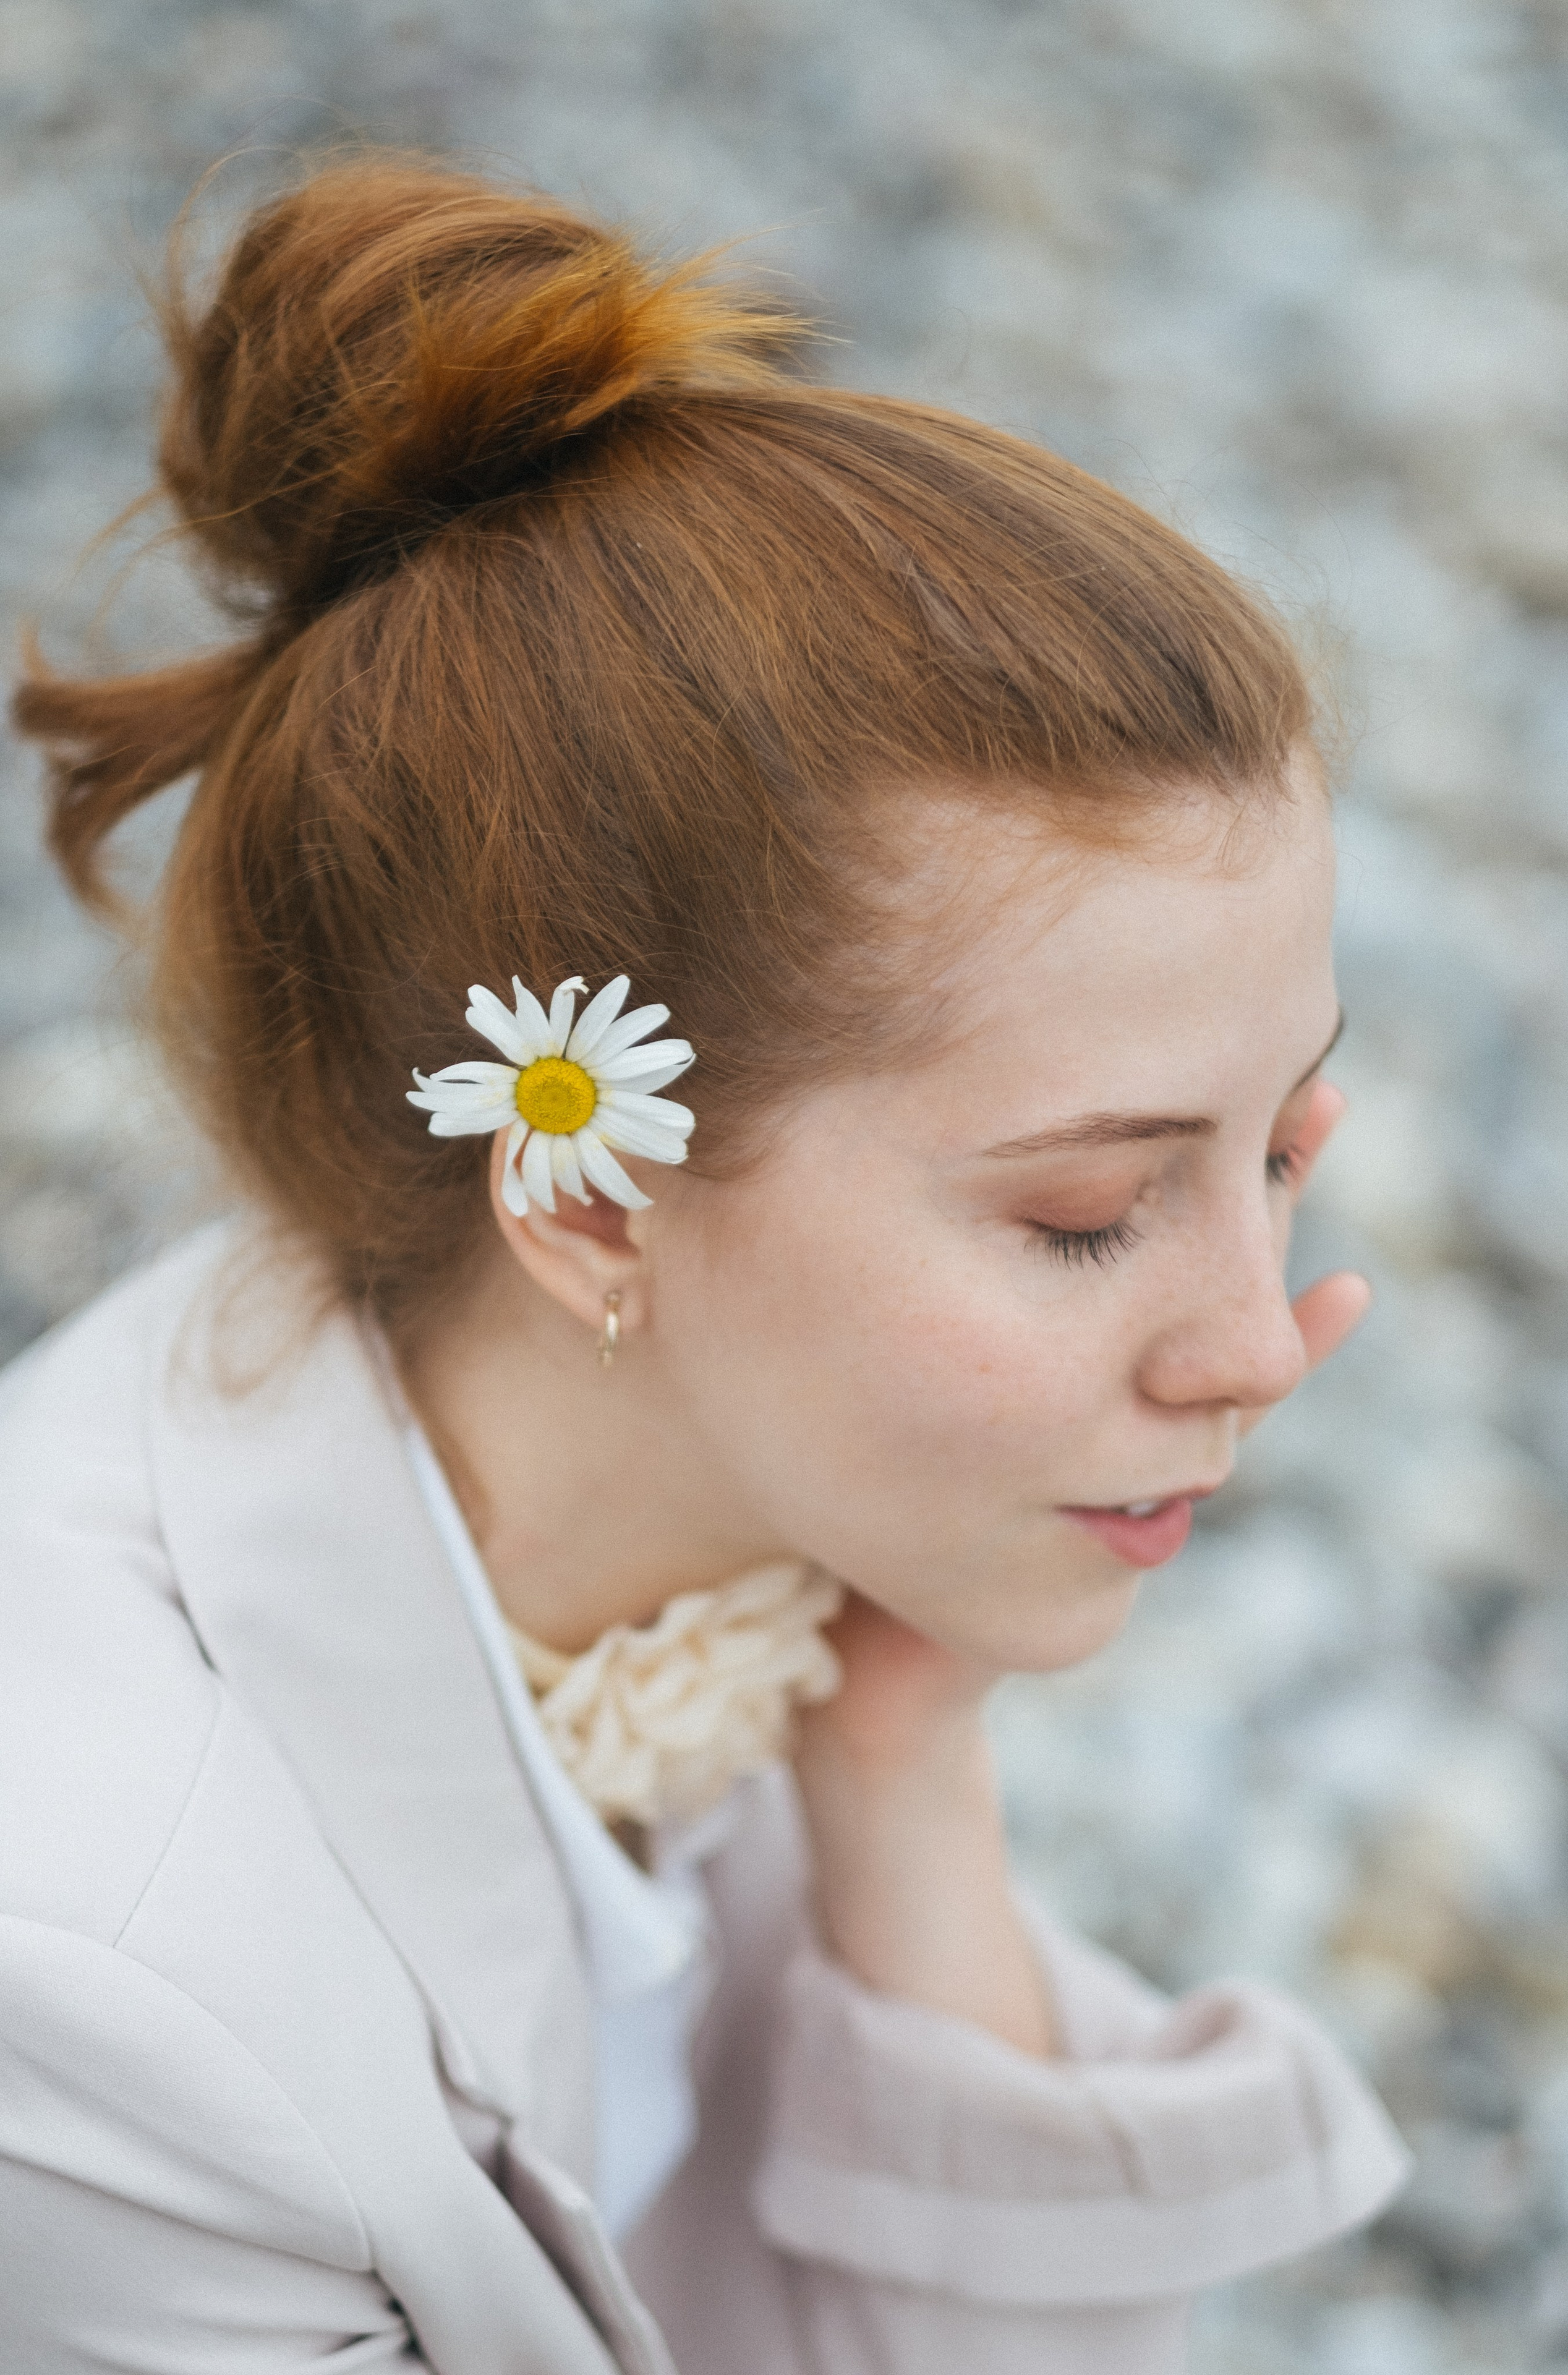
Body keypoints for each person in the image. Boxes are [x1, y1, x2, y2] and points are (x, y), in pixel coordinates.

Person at [0, 157, 1407, 2375]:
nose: (1258, 1343)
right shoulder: (95, 1989)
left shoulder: (734, 1529)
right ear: (579, 1195)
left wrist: (900, 1763)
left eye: (1287, 1145)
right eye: (1085, 1214)